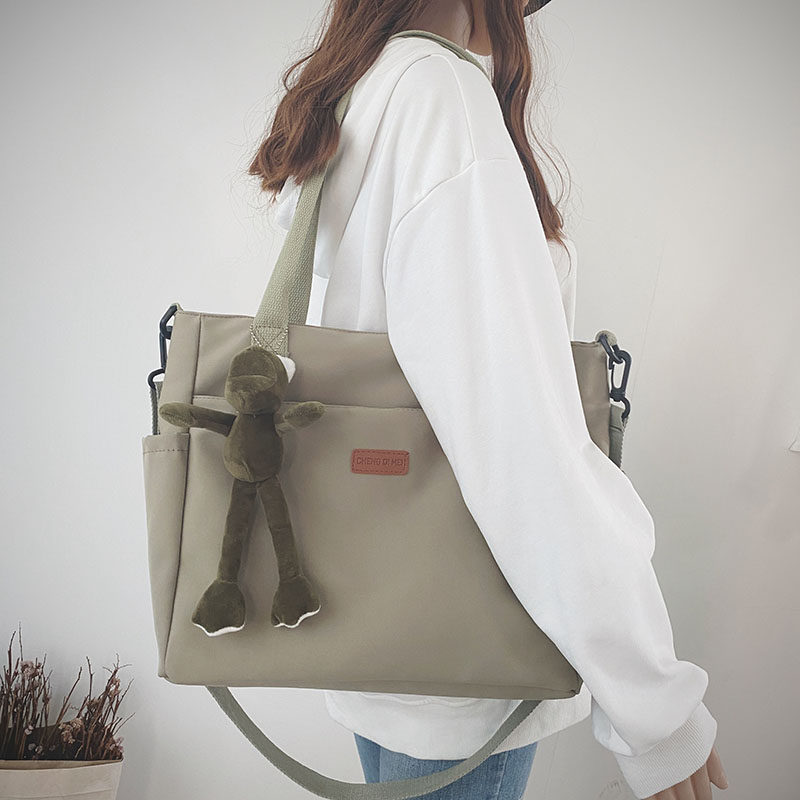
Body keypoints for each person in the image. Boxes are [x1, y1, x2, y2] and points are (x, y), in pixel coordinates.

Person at [248, 1, 730, 798]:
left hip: (377, 636)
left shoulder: (364, 93)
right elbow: (519, 439)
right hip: (462, 663)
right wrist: (654, 708)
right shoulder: (442, 99)